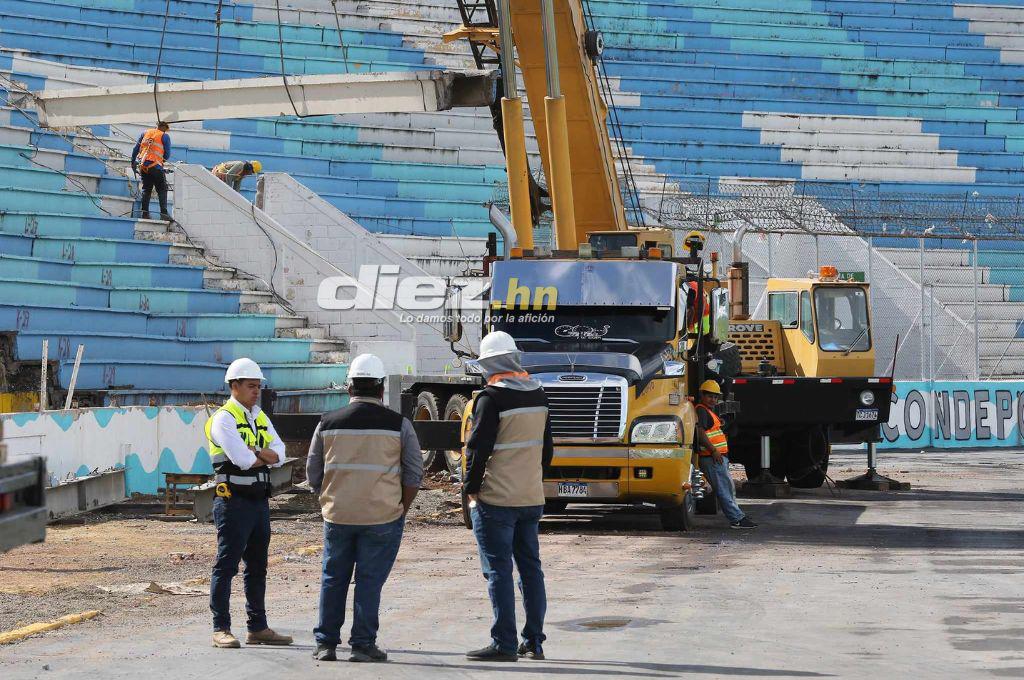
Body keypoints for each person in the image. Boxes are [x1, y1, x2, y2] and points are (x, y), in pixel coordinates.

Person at [306, 354, 423, 663]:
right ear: (381, 389)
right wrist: (400, 507)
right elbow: (414, 473)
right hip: (382, 517)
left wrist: (330, 499)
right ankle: (362, 645)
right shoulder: (399, 425)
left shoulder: (327, 423)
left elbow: (312, 472)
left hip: (338, 515)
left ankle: (325, 644)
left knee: (333, 578)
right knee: (369, 581)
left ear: (349, 388)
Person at [464, 331, 553, 662]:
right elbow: (547, 452)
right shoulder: (539, 394)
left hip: (496, 500)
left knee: (499, 570)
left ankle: (503, 642)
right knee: (531, 569)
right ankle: (534, 641)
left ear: (490, 365)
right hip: (530, 498)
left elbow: (477, 451)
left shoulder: (490, 399)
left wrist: (470, 491)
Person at [206, 357, 294, 649]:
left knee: (257, 566)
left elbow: (281, 453)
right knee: (227, 565)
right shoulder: (223, 418)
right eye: (251, 386)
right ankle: (221, 628)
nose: (256, 391)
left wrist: (255, 450)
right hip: (232, 503)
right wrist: (260, 454)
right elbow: (242, 461)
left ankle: (258, 627)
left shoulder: (258, 417)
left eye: (258, 386)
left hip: (258, 502)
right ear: (235, 386)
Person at [695, 379, 756, 530]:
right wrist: (714, 450)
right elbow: (700, 432)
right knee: (724, 488)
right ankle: (736, 519)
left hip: (717, 457)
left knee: (727, 487)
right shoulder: (701, 410)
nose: (713, 400)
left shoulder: (707, 411)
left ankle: (738, 516)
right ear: (702, 395)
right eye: (710, 396)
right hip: (712, 457)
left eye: (715, 397)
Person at [130, 122, 172, 221]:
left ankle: (144, 214)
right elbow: (167, 155)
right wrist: (161, 161)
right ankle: (164, 214)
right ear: (165, 127)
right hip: (156, 166)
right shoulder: (165, 136)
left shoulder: (145, 132)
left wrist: (132, 162)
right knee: (162, 189)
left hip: (143, 166)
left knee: (146, 190)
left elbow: (135, 149)